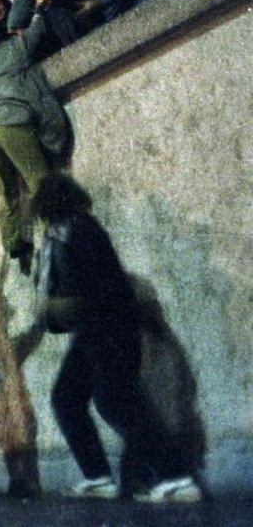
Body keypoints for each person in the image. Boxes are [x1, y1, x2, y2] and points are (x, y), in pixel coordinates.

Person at [32, 174, 203, 503]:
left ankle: (176, 478)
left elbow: (101, 292)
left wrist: (54, 304)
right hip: (92, 331)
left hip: (110, 329)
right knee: (67, 397)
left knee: (115, 400)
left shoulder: (81, 231)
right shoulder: (62, 234)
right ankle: (99, 477)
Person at [0, 10, 70, 272]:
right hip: (10, 121)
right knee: (39, 180)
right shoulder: (16, 47)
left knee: (7, 189)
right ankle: (60, 232)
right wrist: (39, 9)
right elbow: (38, 28)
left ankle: (14, 243)